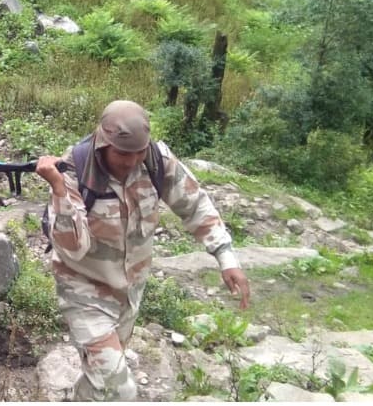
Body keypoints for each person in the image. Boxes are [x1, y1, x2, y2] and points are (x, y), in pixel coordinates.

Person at [34, 100, 251, 401]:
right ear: (102, 143)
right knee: (119, 389)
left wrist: (226, 258)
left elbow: (195, 204)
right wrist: (58, 189)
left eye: (139, 151)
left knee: (103, 378)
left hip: (130, 292)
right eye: (124, 153)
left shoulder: (157, 160)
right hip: (84, 291)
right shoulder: (73, 170)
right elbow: (73, 245)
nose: (133, 160)